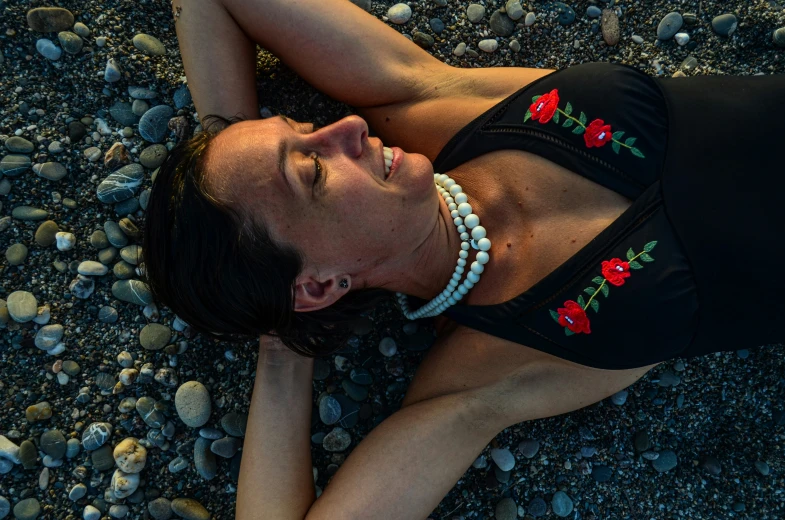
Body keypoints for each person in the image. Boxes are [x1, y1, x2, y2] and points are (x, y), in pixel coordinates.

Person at [143, 0, 785, 518]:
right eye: (311, 170)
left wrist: (221, 153)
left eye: (298, 130)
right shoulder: (480, 378)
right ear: (317, 286)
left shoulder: (425, 104)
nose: (345, 129)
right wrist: (283, 343)